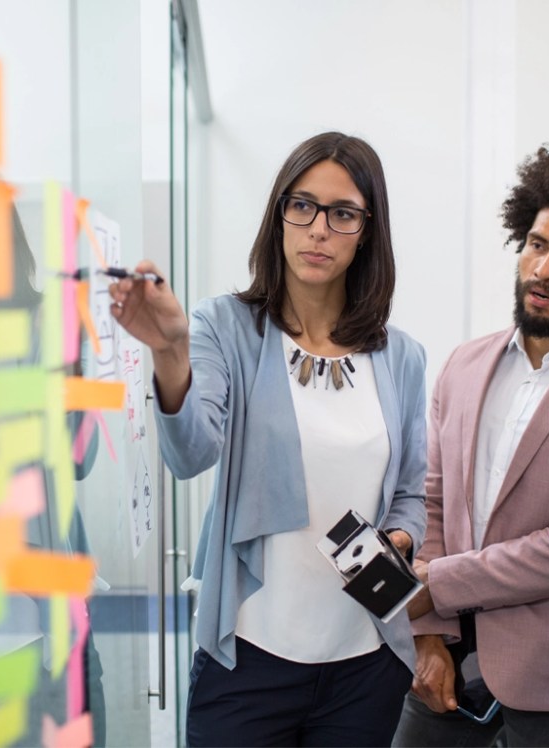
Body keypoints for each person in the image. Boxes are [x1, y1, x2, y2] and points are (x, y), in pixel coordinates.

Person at [108, 131, 427, 747]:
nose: (318, 229)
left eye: (342, 214)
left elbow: (413, 491)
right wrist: (172, 352)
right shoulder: (224, 327)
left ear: (367, 230)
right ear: (279, 213)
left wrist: (398, 537)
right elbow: (191, 452)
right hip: (248, 655)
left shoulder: (402, 357)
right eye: (301, 205)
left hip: (364, 662)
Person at [393, 137, 549, 748]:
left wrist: (437, 584)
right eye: (537, 245)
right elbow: (432, 501)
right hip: (441, 660)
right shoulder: (462, 364)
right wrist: (427, 630)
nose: (544, 269)